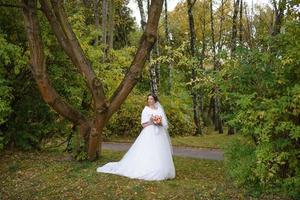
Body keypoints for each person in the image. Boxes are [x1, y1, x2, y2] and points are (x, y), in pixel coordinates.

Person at [96, 94, 175, 181]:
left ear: (155, 100)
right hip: (149, 133)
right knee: (148, 150)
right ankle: (148, 168)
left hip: (160, 133)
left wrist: (159, 122)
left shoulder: (159, 110)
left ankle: (163, 170)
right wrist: (152, 121)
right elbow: (143, 124)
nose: (149, 101)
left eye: (151, 99)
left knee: (160, 151)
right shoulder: (146, 110)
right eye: (148, 99)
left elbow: (164, 124)